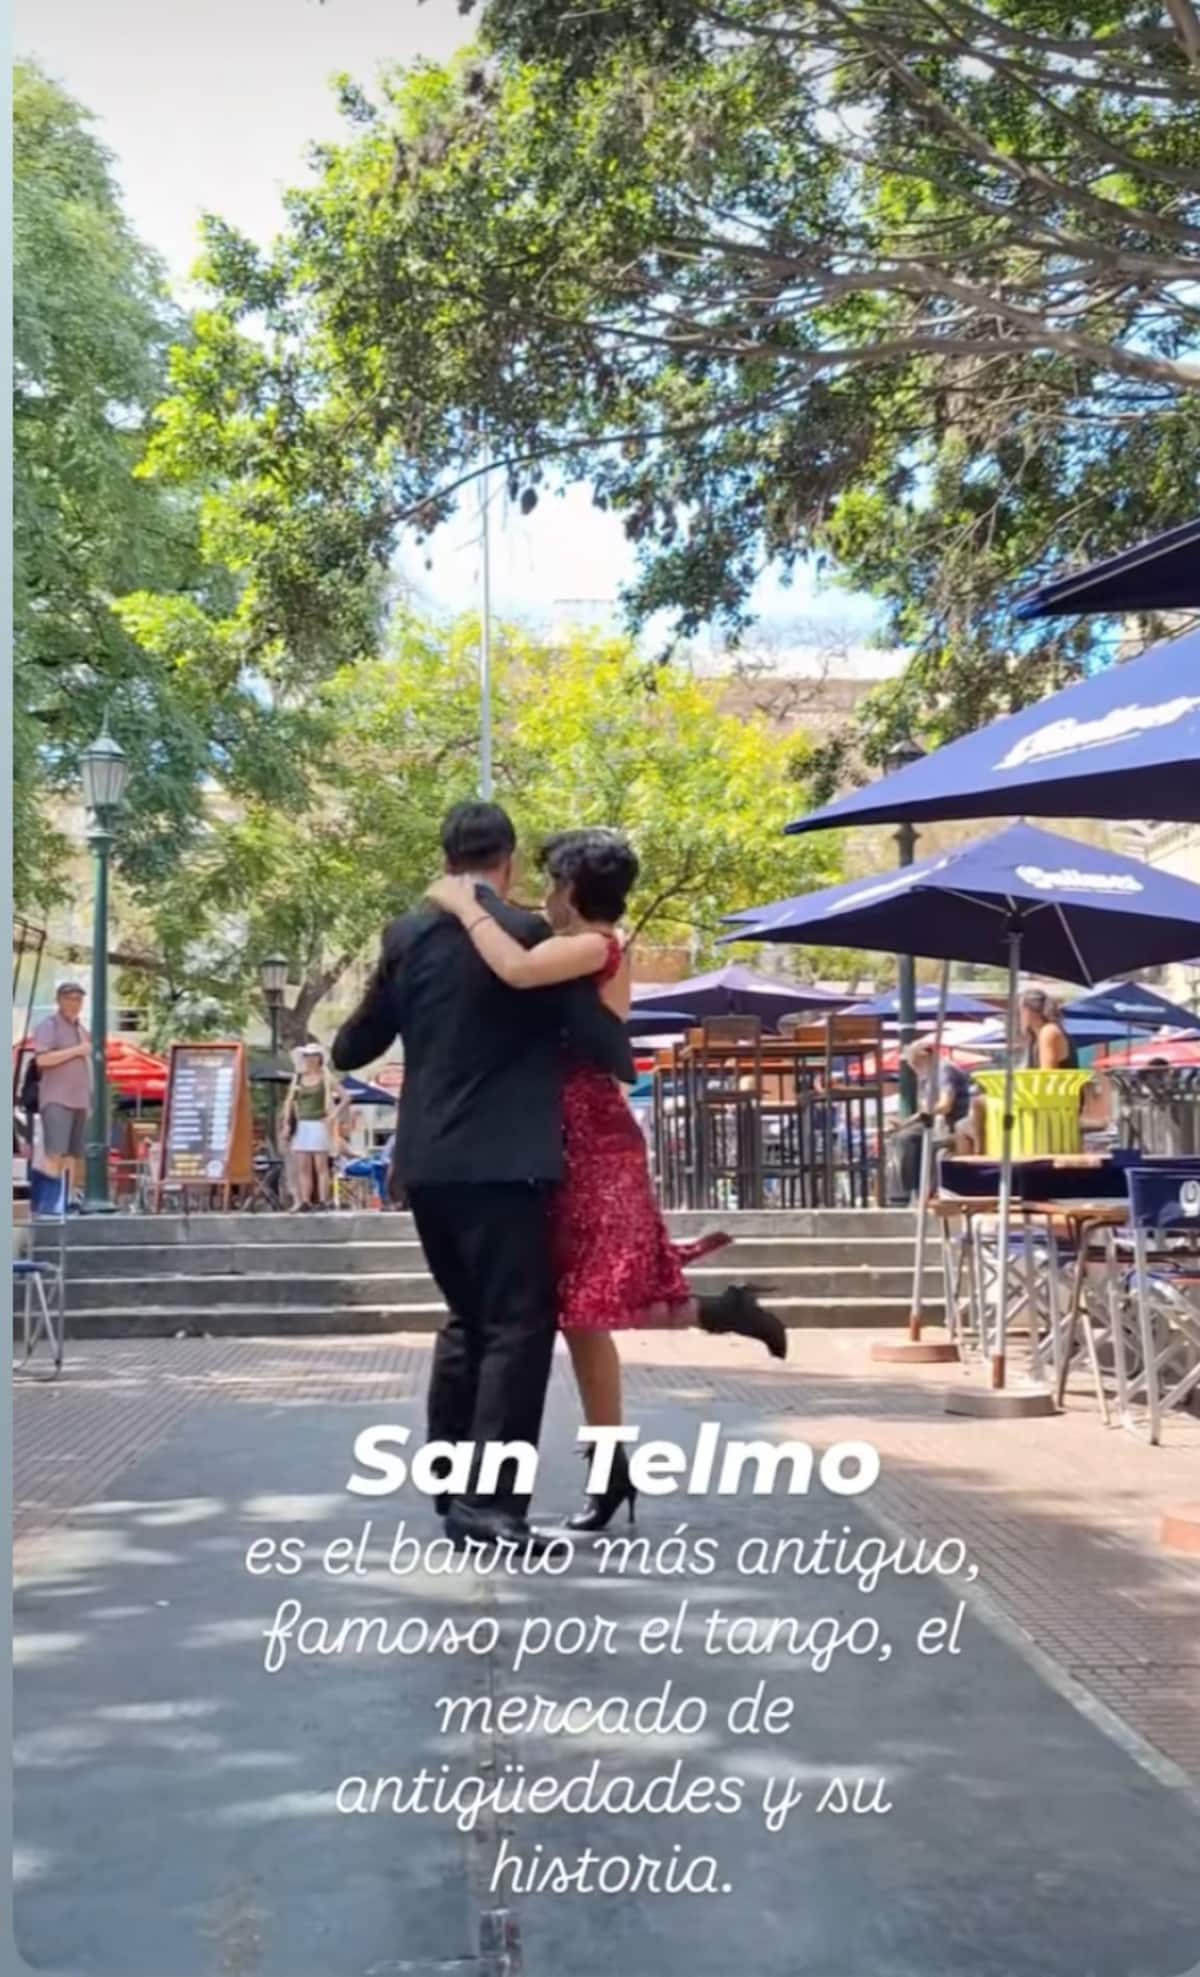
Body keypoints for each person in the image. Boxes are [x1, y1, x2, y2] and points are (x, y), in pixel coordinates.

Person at [426, 827, 786, 1534]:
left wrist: (463, 903)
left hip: (593, 1146)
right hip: (556, 1141)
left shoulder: (595, 946)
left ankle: (707, 1328)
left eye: (553, 882)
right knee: (581, 1313)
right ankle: (619, 1456)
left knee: (588, 1307)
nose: (545, 894)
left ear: (572, 889)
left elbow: (516, 969)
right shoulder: (571, 943)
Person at [332, 800, 640, 1556]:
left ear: (446, 861)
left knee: (466, 1320)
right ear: (509, 862)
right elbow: (602, 1043)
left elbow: (349, 1049)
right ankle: (491, 1506)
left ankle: (450, 1483)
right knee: (515, 1326)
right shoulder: (530, 937)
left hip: (425, 1162)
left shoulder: (406, 936)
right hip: (508, 1163)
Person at [32, 979, 93, 1197]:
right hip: (57, 1099)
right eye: (69, 998)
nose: (74, 1003)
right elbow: (42, 1060)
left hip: (80, 1101)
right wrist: (76, 1050)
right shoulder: (49, 1026)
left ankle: (67, 1200)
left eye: (78, 999)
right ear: (58, 1000)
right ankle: (51, 1202)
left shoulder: (82, 1030)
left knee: (72, 1154)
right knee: (55, 1153)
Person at [284, 1044, 347, 1210]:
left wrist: (332, 1116)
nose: (310, 1059)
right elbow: (290, 1102)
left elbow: (346, 1097)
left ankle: (323, 1201)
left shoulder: (326, 1078)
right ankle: (305, 1201)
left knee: (321, 1166)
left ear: (319, 1058)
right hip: (302, 1124)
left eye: (313, 1056)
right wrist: (287, 1124)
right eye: (307, 1056)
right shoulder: (298, 1078)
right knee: (303, 1166)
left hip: (319, 1123)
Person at [1020, 989, 1078, 1069]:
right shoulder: (1035, 1039)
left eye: (1020, 1011)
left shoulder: (1048, 1032)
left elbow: (1047, 1074)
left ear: (1027, 1011)